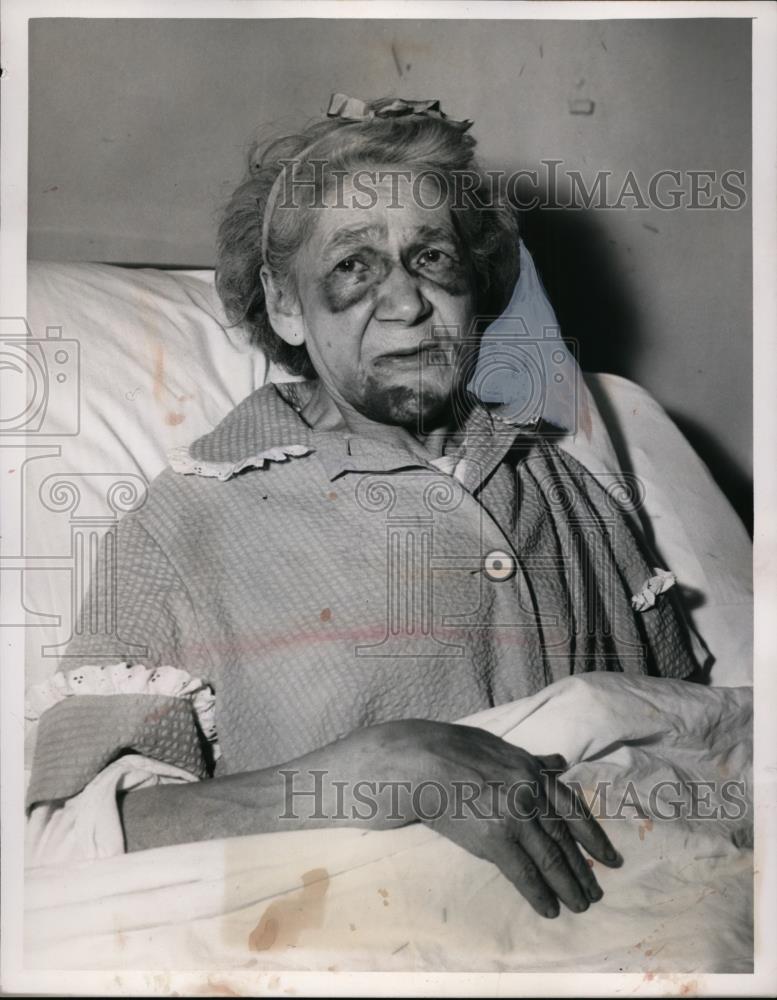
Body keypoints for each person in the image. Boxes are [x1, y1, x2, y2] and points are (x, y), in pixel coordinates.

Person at [26, 94, 702, 921]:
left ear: (474, 288)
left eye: (432, 259)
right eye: (353, 265)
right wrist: (369, 774)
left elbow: (703, 742)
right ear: (285, 305)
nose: (406, 303)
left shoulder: (571, 490)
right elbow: (71, 847)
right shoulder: (188, 524)